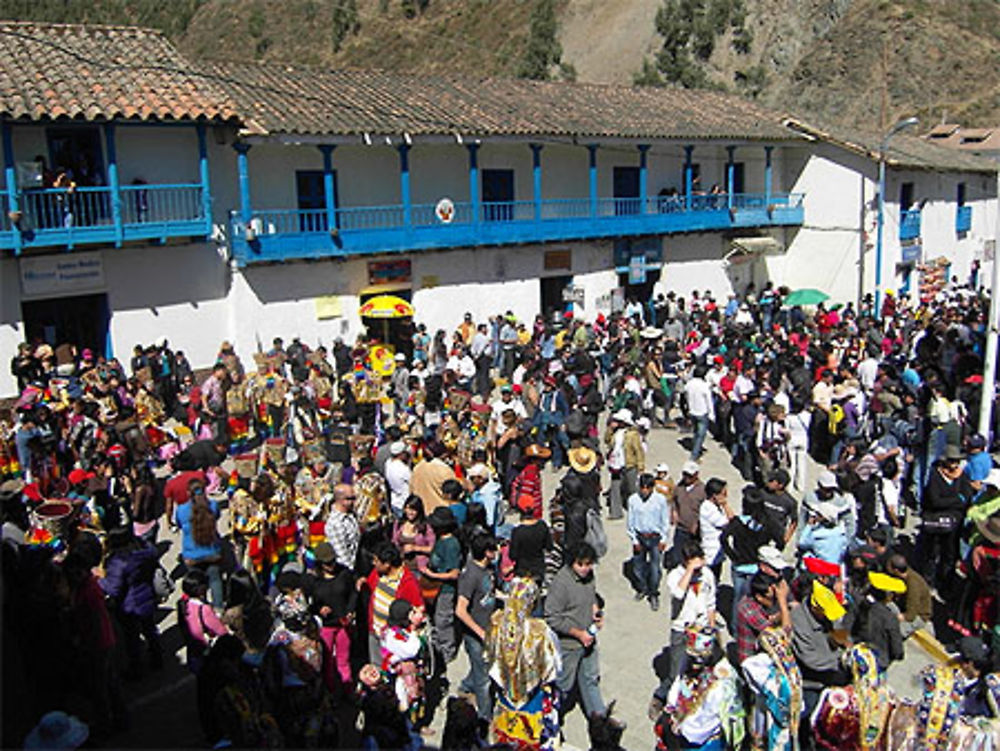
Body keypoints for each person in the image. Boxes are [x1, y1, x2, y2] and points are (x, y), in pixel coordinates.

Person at [545, 542, 618, 725]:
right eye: (581, 564)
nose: (586, 568)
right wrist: (579, 634)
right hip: (569, 646)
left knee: (590, 680)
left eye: (589, 564)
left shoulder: (589, 575)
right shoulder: (561, 584)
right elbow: (552, 617)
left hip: (589, 640)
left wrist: (595, 610)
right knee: (563, 686)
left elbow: (592, 594)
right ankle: (550, 719)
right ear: (572, 563)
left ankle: (600, 722)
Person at [486, 577, 562, 750]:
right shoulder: (539, 631)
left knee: (506, 733)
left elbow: (489, 656)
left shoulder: (496, 623)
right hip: (532, 696)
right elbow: (553, 665)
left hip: (505, 692)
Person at [651, 541, 717, 715]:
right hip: (682, 629)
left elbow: (711, 602)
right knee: (676, 672)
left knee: (701, 670)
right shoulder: (675, 575)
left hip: (701, 629)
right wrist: (689, 571)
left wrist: (712, 627)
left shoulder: (707, 575)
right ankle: (662, 698)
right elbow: (678, 593)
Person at [100, 525, 163, 679]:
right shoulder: (145, 553)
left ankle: (137, 669)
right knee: (150, 630)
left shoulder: (118, 562)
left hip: (129, 605)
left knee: (132, 638)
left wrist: (99, 581)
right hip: (146, 596)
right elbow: (153, 551)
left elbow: (113, 589)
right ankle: (157, 658)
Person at [455, 534, 499, 725]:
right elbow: (460, 610)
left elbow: (489, 593)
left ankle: (465, 686)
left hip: (490, 628)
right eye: (494, 549)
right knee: (484, 680)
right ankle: (484, 718)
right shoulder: (470, 575)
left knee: (482, 667)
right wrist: (479, 632)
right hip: (476, 637)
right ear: (487, 552)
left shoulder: (487, 569)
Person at [363, 542, 424, 664]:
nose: (373, 563)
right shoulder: (377, 573)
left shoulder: (407, 582)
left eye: (376, 561)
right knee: (377, 668)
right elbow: (370, 586)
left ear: (387, 564)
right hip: (375, 630)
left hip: (393, 638)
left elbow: (418, 609)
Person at [309, 541, 357, 694]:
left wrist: (350, 611)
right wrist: (319, 609)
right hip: (327, 625)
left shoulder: (344, 573)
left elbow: (353, 594)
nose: (331, 566)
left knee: (343, 659)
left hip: (343, 623)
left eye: (332, 561)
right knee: (328, 661)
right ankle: (331, 692)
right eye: (327, 563)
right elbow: (311, 604)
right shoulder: (314, 581)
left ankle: (347, 688)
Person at [421, 506, 463, 663]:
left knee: (443, 620)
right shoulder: (441, 540)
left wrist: (431, 574)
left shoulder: (451, 545)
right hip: (435, 588)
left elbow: (454, 573)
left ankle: (447, 651)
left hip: (445, 589)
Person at [174, 478, 224, 606]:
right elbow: (217, 517)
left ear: (188, 493)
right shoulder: (213, 506)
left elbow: (179, 525)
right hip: (213, 552)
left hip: (192, 555)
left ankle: (201, 611)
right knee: (215, 580)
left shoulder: (181, 510)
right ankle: (218, 609)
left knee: (196, 584)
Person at [626, 472, 670, 611]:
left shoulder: (660, 500)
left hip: (655, 538)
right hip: (640, 537)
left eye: (647, 488)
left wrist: (664, 538)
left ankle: (653, 593)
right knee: (638, 567)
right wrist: (634, 540)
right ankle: (642, 588)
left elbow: (665, 521)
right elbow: (630, 521)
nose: (644, 491)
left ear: (652, 487)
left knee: (655, 568)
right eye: (642, 487)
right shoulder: (633, 500)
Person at [735, 572, 791, 664]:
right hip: (752, 662)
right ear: (759, 597)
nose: (775, 601)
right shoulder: (748, 610)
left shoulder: (758, 602)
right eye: (772, 598)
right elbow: (782, 637)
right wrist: (783, 603)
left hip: (764, 648)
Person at [886, 553, 932, 638]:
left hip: (918, 615)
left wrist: (902, 617)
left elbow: (911, 612)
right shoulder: (902, 576)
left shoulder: (913, 584)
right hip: (903, 606)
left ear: (896, 570)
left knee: (895, 632)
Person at [699, 477, 734, 580]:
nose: (726, 496)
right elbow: (730, 522)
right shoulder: (708, 509)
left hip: (717, 551)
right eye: (723, 493)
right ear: (715, 495)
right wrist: (725, 504)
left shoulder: (714, 507)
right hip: (711, 553)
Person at [324, 483, 360, 571]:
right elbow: (342, 555)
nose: (354, 501)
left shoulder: (350, 514)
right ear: (340, 500)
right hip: (346, 571)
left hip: (357, 563)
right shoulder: (335, 523)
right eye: (350, 498)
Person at [684, 365, 714, 460]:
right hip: (702, 412)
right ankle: (694, 455)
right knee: (701, 435)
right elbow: (709, 401)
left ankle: (696, 447)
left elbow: (685, 396)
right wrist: (712, 414)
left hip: (692, 411)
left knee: (696, 431)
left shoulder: (689, 384)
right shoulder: (704, 386)